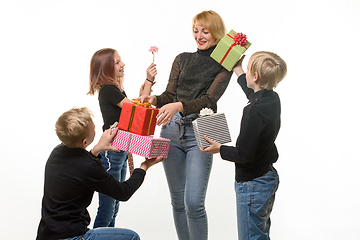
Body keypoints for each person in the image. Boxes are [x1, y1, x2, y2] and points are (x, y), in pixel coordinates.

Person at [138, 10, 232, 240]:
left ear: (217, 34)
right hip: (170, 129)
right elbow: (170, 94)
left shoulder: (224, 64)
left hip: (200, 133)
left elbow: (210, 100)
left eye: (205, 31)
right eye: (195, 30)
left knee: (194, 203)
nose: (199, 36)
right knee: (178, 201)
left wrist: (179, 105)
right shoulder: (182, 58)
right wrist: (155, 99)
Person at [36, 107, 164, 240]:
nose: (96, 127)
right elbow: (123, 192)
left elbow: (78, 166)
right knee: (132, 237)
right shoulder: (89, 166)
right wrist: (144, 167)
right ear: (85, 142)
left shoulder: (56, 153)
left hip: (46, 235)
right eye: (93, 128)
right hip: (72, 237)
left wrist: (96, 150)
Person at [201, 51, 287, 240]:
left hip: (252, 184)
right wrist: (238, 69)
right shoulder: (272, 99)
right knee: (259, 233)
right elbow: (253, 92)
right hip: (267, 177)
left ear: (255, 76)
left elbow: (244, 154)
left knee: (250, 237)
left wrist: (219, 148)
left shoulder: (252, 112)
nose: (246, 72)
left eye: (248, 70)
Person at [87, 48, 157, 228]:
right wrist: (148, 81)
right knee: (107, 209)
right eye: (117, 62)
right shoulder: (109, 89)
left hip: (119, 150)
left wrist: (147, 86)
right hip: (111, 152)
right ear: (105, 68)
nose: (122, 64)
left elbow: (137, 109)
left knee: (114, 208)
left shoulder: (115, 90)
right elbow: (138, 110)